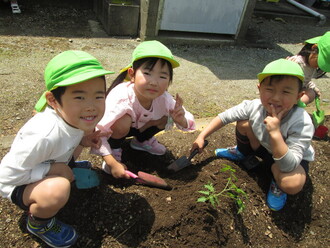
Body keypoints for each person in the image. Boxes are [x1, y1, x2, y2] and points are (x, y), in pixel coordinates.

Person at [0, 50, 113, 247]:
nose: (91, 107)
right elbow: (5, 176)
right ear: (53, 100)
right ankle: (39, 223)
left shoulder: (74, 118)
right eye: (79, 97)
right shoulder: (43, 135)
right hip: (19, 183)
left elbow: (70, 139)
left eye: (98, 96)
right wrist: (53, 170)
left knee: (67, 168)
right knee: (58, 190)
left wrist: (85, 141)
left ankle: (65, 171)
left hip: (52, 160)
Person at [191, 59, 314, 211]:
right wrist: (202, 136)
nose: (276, 97)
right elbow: (224, 117)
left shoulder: (301, 121)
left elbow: (288, 165)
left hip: (290, 161)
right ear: (259, 88)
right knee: (243, 123)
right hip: (264, 148)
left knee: (292, 184)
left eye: (286, 92)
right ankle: (242, 153)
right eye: (270, 89)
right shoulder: (255, 106)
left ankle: (276, 180)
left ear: (298, 96)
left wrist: (275, 133)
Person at [93, 40, 196, 178]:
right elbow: (97, 133)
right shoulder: (121, 98)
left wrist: (181, 119)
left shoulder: (164, 98)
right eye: (147, 73)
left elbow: (189, 121)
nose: (154, 82)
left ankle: (142, 141)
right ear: (132, 74)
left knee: (167, 117)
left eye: (162, 76)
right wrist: (111, 162)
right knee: (122, 121)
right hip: (118, 130)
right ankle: (115, 149)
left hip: (140, 127)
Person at [287, 31, 330, 106]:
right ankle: (293, 107)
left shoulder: (311, 66)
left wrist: (313, 87)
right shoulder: (297, 63)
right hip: (286, 91)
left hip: (296, 91)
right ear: (314, 48)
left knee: (311, 93)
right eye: (319, 62)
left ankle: (295, 106)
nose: (318, 67)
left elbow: (305, 80)